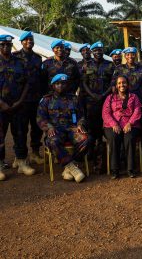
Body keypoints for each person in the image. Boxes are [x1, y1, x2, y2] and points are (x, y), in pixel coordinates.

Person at [37, 74, 89, 183]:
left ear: (67, 85)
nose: (61, 86)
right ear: (53, 85)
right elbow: (40, 118)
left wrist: (80, 124)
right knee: (53, 141)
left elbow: (81, 116)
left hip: (72, 129)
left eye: (63, 84)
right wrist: (49, 127)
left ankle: (68, 167)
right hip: (55, 130)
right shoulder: (46, 100)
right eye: (58, 83)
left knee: (86, 139)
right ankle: (72, 167)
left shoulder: (74, 99)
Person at [0, 34, 34, 180]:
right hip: (0, 107)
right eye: (2, 45)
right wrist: (1, 103)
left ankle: (21, 162)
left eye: (8, 44)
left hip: (18, 106)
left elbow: (27, 83)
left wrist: (20, 101)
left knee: (20, 134)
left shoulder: (20, 62)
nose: (6, 47)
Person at [81, 41, 114, 173]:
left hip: (106, 102)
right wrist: (93, 95)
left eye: (100, 50)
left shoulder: (110, 65)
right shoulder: (86, 65)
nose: (98, 52)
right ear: (92, 52)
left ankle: (104, 163)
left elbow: (113, 83)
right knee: (93, 133)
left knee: (105, 132)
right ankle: (94, 161)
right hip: (91, 103)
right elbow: (84, 83)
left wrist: (103, 95)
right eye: (96, 50)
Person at [12, 31, 44, 165]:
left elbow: (41, 78)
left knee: (37, 127)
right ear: (22, 42)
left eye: (31, 39)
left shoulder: (38, 58)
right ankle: (19, 156)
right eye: (26, 40)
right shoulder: (15, 57)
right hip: (21, 100)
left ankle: (35, 153)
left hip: (36, 99)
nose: (29, 41)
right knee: (21, 129)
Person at [102, 75, 142, 179]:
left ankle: (130, 169)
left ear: (128, 84)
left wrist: (130, 123)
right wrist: (114, 124)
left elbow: (137, 111)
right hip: (112, 125)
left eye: (124, 82)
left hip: (130, 124)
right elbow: (105, 113)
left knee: (129, 138)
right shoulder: (110, 98)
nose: (121, 85)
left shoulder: (134, 97)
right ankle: (115, 170)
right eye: (119, 83)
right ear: (116, 85)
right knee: (114, 138)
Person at [113, 47, 142, 154]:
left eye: (132, 54)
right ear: (125, 56)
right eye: (128, 54)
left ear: (136, 55)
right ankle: (124, 151)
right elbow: (114, 86)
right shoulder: (119, 68)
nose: (130, 56)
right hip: (124, 102)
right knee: (125, 125)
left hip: (140, 102)